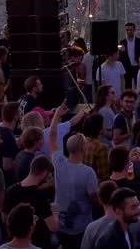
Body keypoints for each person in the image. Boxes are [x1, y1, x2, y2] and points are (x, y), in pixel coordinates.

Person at [48, 104, 99, 249]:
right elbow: (95, 199)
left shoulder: (59, 162)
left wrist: (57, 115)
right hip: (81, 228)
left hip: (61, 225)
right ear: (83, 148)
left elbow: (52, 138)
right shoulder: (88, 172)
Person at [4, 155, 57, 249]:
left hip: (15, 244)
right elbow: (53, 227)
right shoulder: (40, 197)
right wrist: (56, 213)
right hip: (38, 243)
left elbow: (5, 218)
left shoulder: (10, 191)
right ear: (44, 173)